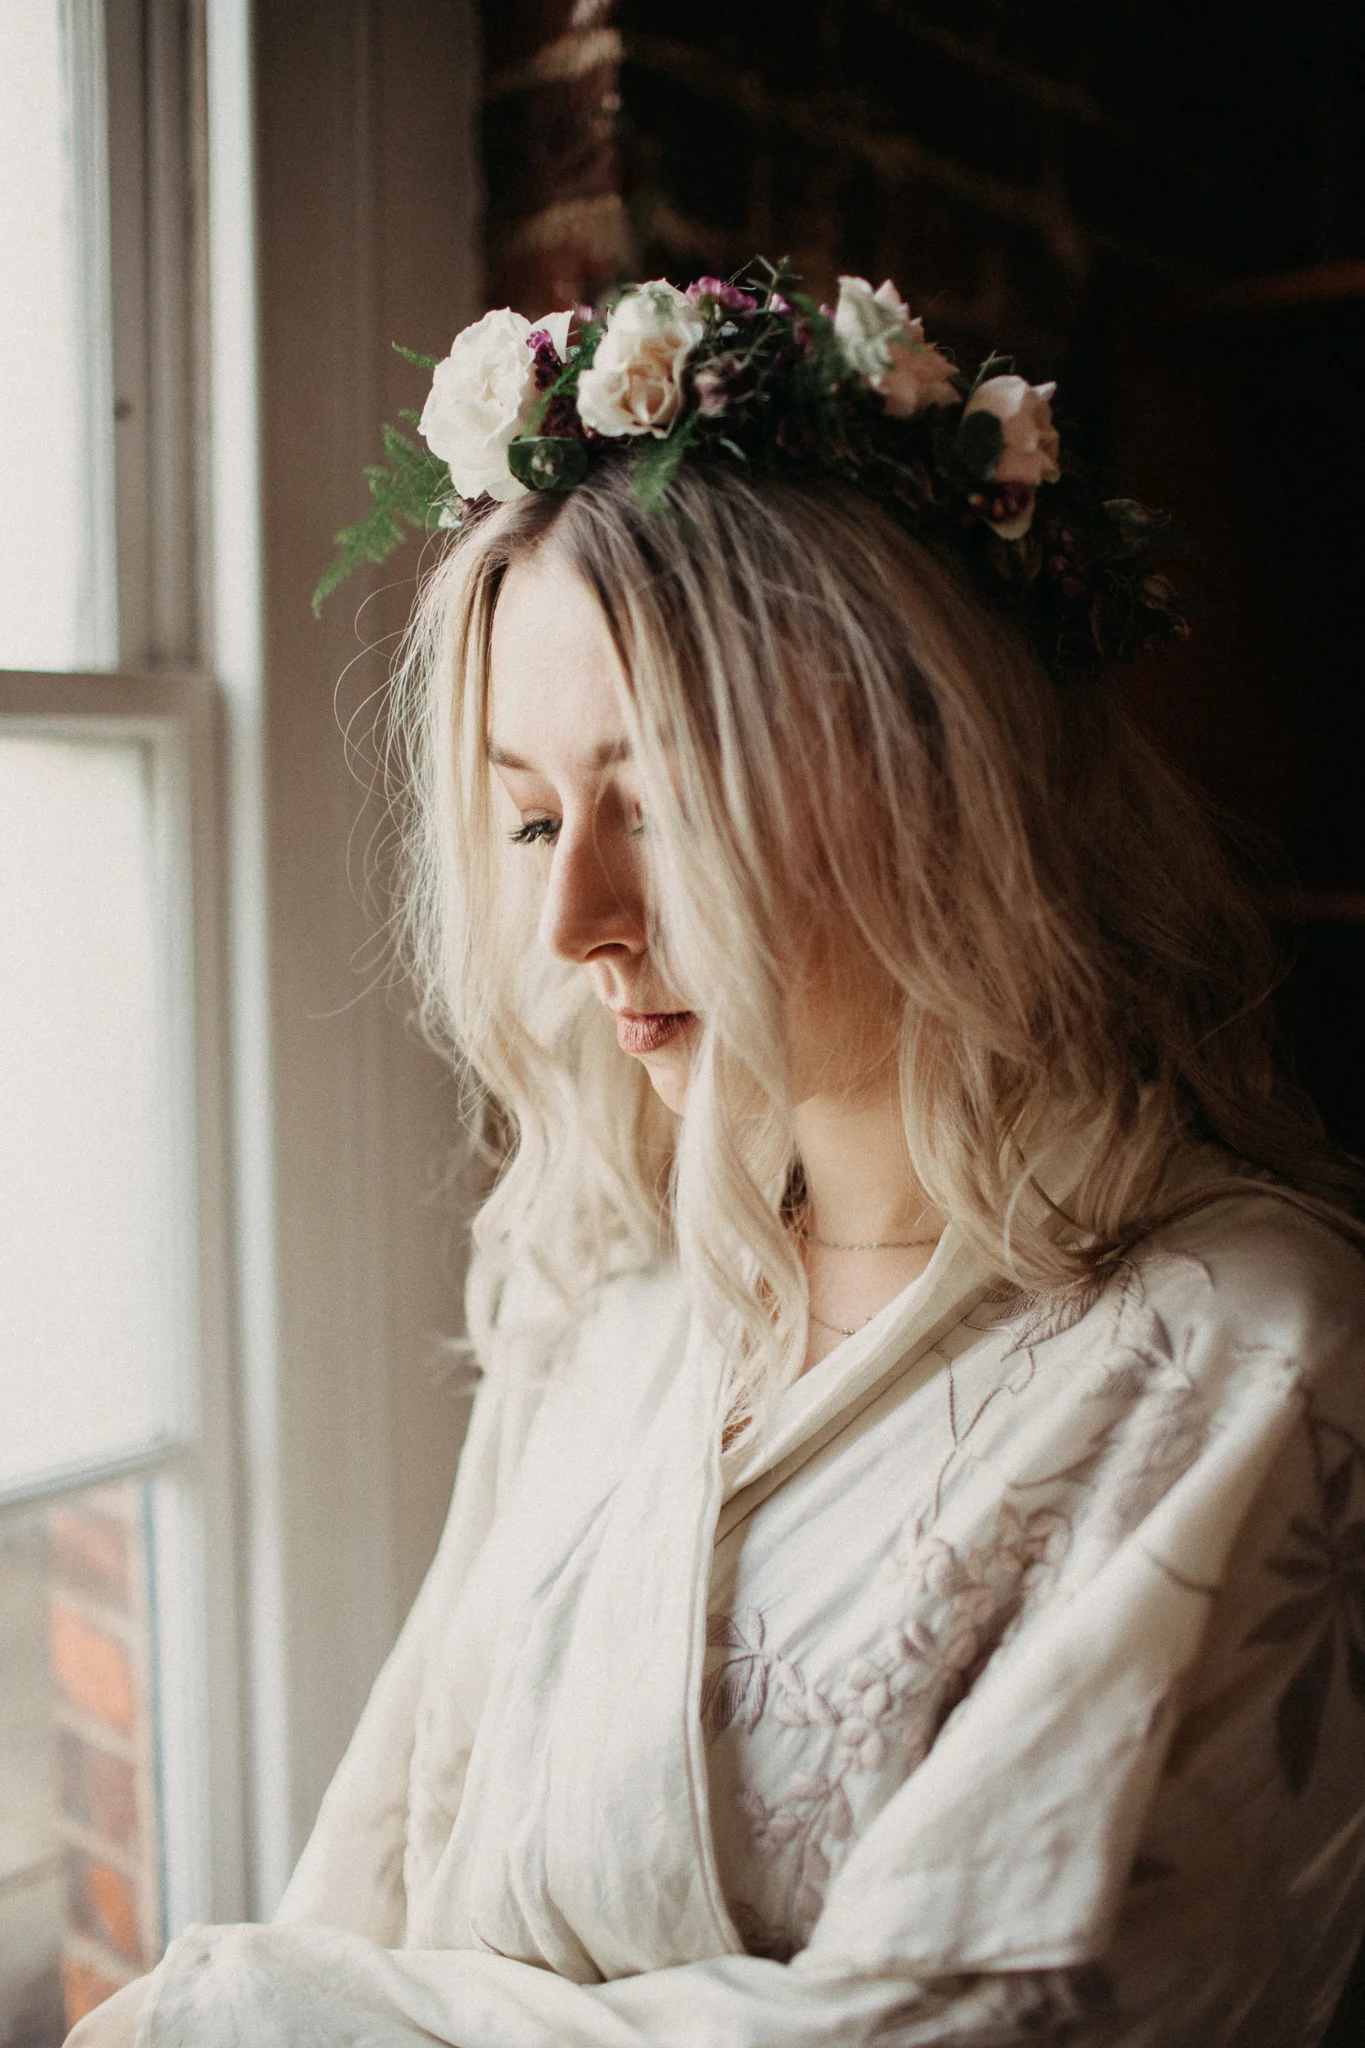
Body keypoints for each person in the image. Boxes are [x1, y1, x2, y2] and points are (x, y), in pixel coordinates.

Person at [73, 271, 1365, 2048]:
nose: (575, 919)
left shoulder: (1252, 1357)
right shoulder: (612, 1286)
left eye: (663, 802)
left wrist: (249, 2011)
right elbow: (398, 1822)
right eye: (532, 818)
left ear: (941, 778)